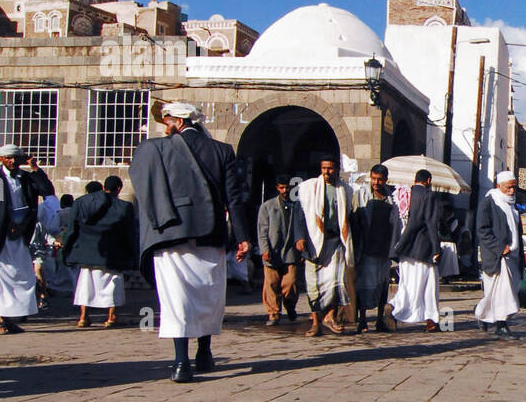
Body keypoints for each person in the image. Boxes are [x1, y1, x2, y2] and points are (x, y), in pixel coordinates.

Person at [129, 102, 250, 382]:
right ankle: (204, 354)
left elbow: (143, 183)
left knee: (176, 299)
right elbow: (235, 199)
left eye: (166, 120)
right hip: (212, 232)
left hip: (171, 231)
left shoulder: (156, 149)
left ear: (177, 121)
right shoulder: (222, 150)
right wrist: (243, 238)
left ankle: (181, 363)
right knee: (209, 295)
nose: (164, 125)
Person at [0, 144, 54, 334]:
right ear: (0, 159)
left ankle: (5, 316)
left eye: (15, 158)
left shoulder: (26, 179)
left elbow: (47, 191)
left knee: (21, 275)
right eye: (8, 158)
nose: (12, 161)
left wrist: (35, 169)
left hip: (20, 234)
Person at [57, 174, 136, 328]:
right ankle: (112, 317)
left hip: (87, 252)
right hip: (114, 253)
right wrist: (131, 255)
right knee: (113, 285)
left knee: (86, 284)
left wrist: (67, 249)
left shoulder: (80, 203)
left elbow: (73, 229)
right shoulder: (125, 207)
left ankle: (83, 317)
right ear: (119, 189)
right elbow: (129, 234)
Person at [293, 156, 356, 337]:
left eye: (330, 168)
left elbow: (348, 217)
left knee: (336, 282)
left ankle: (330, 317)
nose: (327, 172)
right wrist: (300, 238)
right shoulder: (308, 188)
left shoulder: (345, 190)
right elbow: (300, 214)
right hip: (313, 242)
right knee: (314, 285)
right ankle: (315, 323)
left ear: (337, 169)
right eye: (323, 168)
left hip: (335, 241)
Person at [387, 169, 444, 332]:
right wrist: (436, 247)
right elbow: (430, 223)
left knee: (407, 284)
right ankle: (397, 309)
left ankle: (428, 319)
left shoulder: (403, 194)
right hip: (423, 248)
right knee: (429, 286)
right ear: (428, 180)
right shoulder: (429, 195)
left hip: (405, 249)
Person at [351, 164, 402, 333]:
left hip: (384, 248)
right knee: (364, 284)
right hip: (366, 248)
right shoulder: (361, 195)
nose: (376, 182)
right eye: (373, 178)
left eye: (380, 179)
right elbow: (355, 221)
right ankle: (363, 319)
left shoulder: (391, 197)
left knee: (382, 285)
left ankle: (380, 319)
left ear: (385, 180)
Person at [475, 170, 525, 337]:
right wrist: (499, 247)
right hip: (497, 257)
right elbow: (482, 231)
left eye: (514, 188)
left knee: (497, 293)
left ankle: (482, 314)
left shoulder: (513, 206)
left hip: (512, 256)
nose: (511, 191)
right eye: (508, 188)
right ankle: (501, 326)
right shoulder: (489, 203)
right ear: (499, 186)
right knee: (503, 293)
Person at [257, 174, 302, 325]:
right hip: (272, 250)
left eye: (287, 187)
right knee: (271, 284)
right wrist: (264, 249)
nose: (285, 190)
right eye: (282, 187)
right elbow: (262, 230)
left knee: (290, 283)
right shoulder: (267, 207)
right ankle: (274, 313)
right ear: (278, 188)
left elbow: (302, 228)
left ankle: (290, 307)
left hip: (290, 251)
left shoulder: (297, 206)